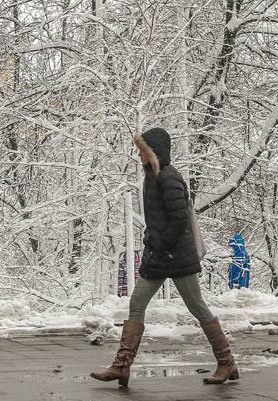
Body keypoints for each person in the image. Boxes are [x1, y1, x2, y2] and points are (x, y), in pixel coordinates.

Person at [91, 127, 239, 387]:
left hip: (176, 256)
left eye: (142, 151)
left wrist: (162, 243)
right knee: (136, 303)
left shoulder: (168, 177)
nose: (139, 156)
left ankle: (227, 362)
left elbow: (179, 218)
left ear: (153, 152)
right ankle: (121, 366)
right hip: (159, 256)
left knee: (197, 307)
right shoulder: (153, 176)